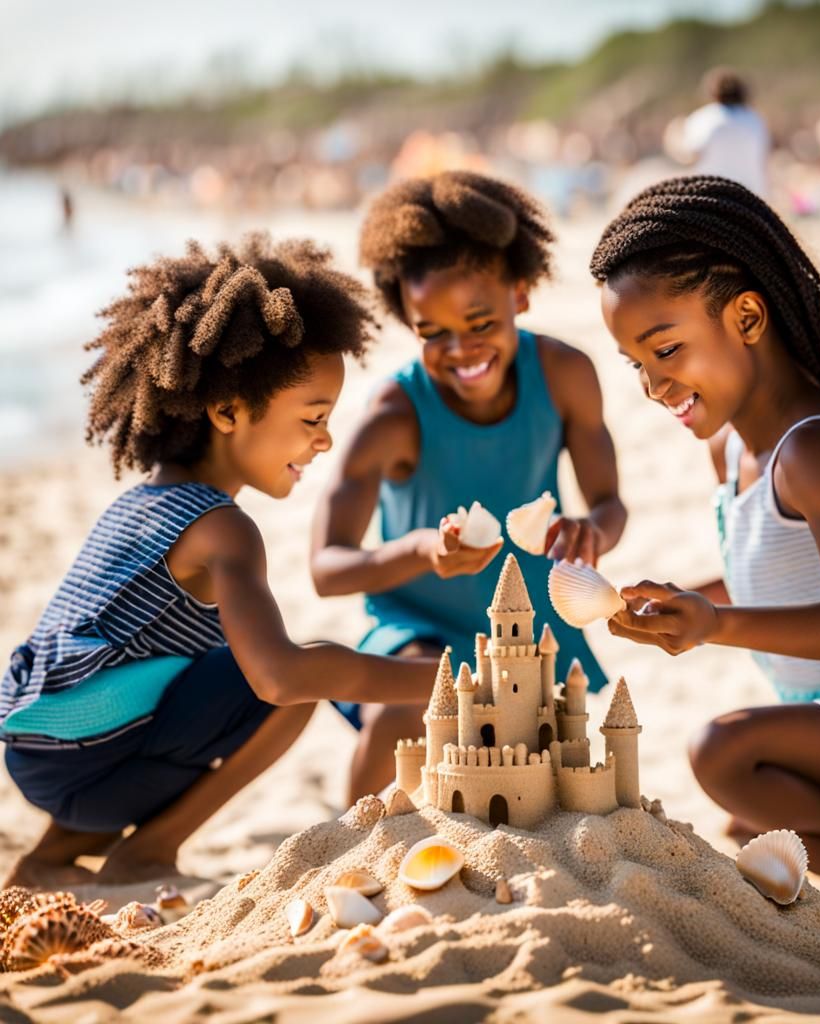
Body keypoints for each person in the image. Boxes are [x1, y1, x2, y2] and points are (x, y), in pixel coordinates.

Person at [1, 235, 435, 888]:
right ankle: (150, 849)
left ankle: (54, 854)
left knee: (194, 672)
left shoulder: (143, 500)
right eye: (312, 418)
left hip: (34, 749)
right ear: (228, 410)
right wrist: (448, 679)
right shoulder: (224, 529)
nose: (325, 439)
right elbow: (281, 680)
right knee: (297, 675)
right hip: (92, 765)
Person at [590, 176, 820, 916]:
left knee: (717, 753)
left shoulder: (814, 452)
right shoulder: (728, 450)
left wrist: (716, 627)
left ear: (748, 315)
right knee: (745, 826)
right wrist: (687, 599)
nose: (654, 385)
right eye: (636, 364)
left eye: (665, 349)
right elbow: (775, 575)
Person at [311, 171, 627, 805]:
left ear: (521, 292)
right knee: (414, 712)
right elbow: (327, 567)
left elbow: (610, 504)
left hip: (529, 633)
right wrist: (424, 550)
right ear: (408, 320)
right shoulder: (393, 416)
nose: (460, 348)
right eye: (433, 333)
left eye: (480, 321)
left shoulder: (565, 375)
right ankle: (348, 843)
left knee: (538, 784)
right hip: (416, 628)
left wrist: (592, 533)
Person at [663, 68, 771, 199]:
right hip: (752, 198)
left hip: (713, 197)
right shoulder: (755, 120)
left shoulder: (705, 118)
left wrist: (672, 135)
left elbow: (689, 157)